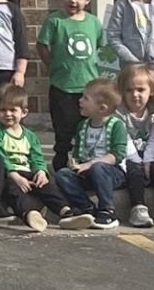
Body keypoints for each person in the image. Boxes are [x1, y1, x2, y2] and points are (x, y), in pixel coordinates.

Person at [36, 0, 104, 170]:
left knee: (85, 130)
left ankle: (83, 166)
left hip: (87, 88)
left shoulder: (93, 22)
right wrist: (52, 65)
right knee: (63, 131)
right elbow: (41, 45)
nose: (73, 0)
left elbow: (101, 48)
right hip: (62, 87)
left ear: (88, 0)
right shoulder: (55, 21)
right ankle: (59, 166)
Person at [0, 83, 61, 233]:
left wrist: (40, 171)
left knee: (48, 183)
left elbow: (37, 156)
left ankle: (65, 211)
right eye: (3, 110)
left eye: (13, 110)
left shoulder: (30, 136)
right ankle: (29, 214)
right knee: (12, 188)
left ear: (24, 112)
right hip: (8, 174)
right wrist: (15, 176)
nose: (7, 114)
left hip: (28, 172)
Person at [53, 78, 129, 230]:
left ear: (102, 108)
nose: (80, 101)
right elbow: (77, 153)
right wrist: (74, 163)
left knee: (98, 167)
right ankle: (86, 208)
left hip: (111, 173)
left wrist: (90, 164)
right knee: (62, 174)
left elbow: (117, 155)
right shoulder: (82, 126)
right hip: (87, 172)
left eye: (85, 98)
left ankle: (107, 211)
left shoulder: (117, 125)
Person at [116, 63, 154, 228]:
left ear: (151, 91)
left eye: (140, 90)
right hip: (128, 158)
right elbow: (125, 140)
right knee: (134, 171)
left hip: (147, 158)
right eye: (129, 90)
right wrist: (138, 162)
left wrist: (148, 161)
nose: (135, 95)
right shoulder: (119, 114)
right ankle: (138, 208)